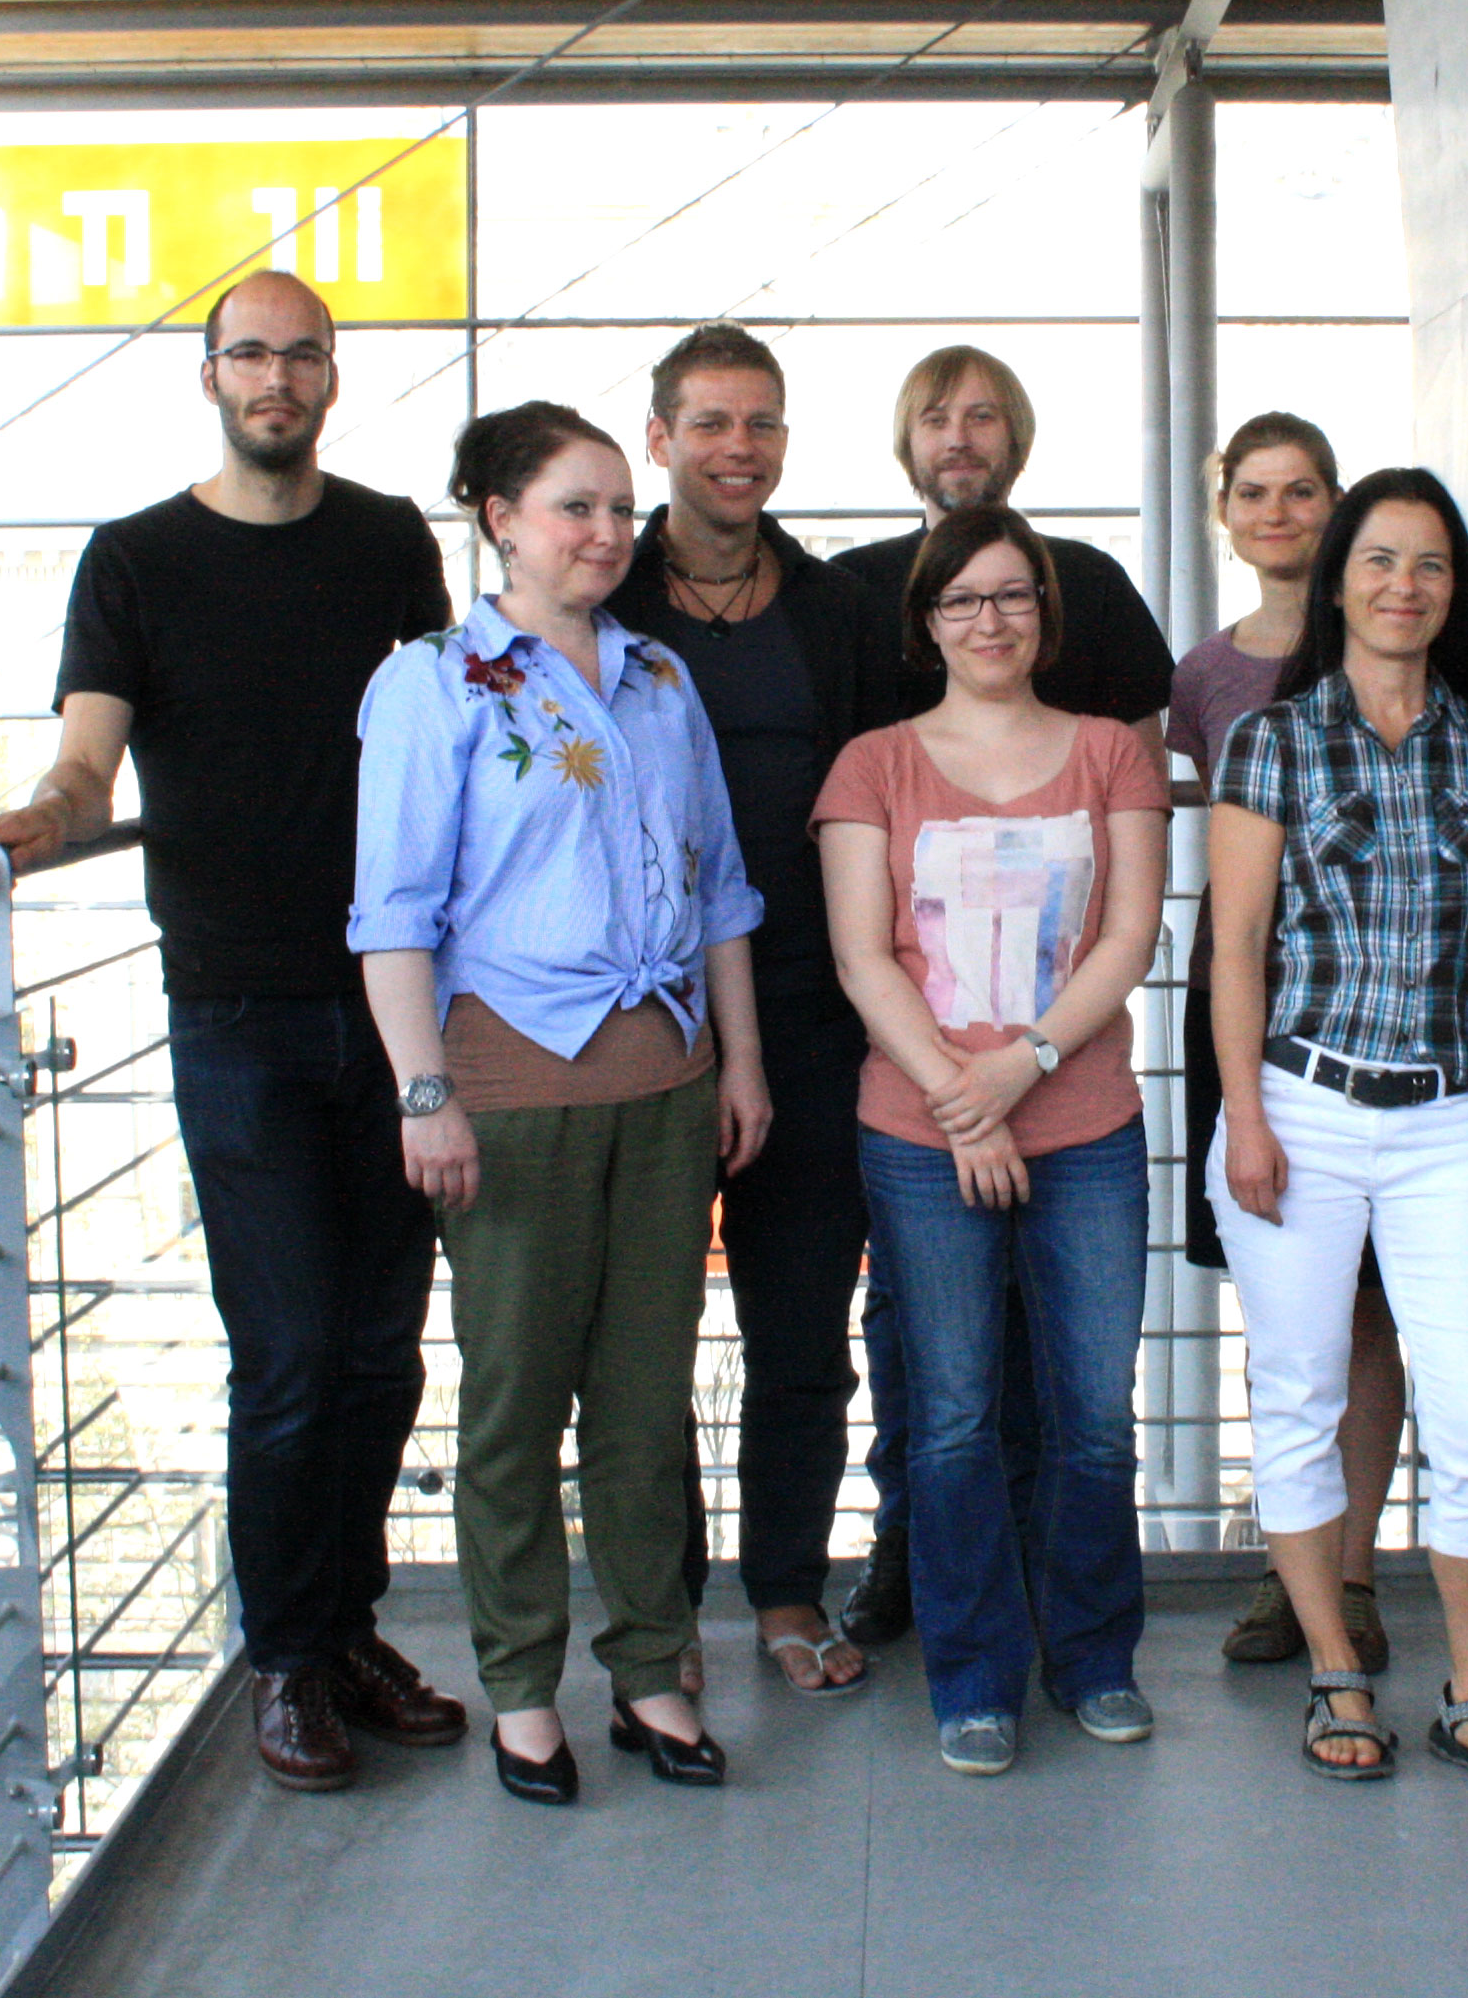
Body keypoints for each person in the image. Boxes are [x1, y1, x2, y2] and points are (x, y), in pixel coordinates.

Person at [0, 271, 466, 1793]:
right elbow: (86, 758)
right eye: (248, 355)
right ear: (210, 380)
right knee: (295, 1352)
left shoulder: (389, 541)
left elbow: (448, 735)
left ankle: (348, 1629)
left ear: (330, 377)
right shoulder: (133, 558)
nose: (275, 377)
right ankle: (286, 1661)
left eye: (299, 355)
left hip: (395, 1000)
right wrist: (47, 821)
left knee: (383, 1351)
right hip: (238, 1009)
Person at [350, 401, 766, 1805]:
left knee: (646, 1404)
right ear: (498, 520)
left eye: (616, 509)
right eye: (571, 507)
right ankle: (520, 1683)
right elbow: (392, 912)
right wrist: (424, 1096)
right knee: (518, 1401)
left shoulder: (657, 678)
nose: (604, 533)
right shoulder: (437, 682)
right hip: (507, 1088)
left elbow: (718, 889)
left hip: (668, 1084)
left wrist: (743, 1061)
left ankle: (653, 1667)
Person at [1206, 467, 1468, 1806]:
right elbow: (1232, 942)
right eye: (1377, 560)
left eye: (1427, 564)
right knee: (1298, 1399)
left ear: (1451, 586)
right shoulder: (1272, 740)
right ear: (1338, 577)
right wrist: (1243, 1114)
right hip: (1297, 1110)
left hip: (1455, 1118)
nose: (1401, 586)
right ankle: (1332, 1670)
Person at [814, 503, 1170, 1776]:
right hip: (918, 1135)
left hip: (1083, 1125)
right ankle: (972, 1676)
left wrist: (1017, 1070)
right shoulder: (873, 764)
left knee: (1093, 1414)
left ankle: (1093, 1655)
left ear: (1045, 614)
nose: (990, 620)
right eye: (962, 600)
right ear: (927, 623)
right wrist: (962, 1102)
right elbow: (863, 954)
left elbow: (1129, 937)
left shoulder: (1109, 758)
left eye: (1013, 595)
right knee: (954, 1418)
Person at [601, 323, 904, 1697]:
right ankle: (659, 1620)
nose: (738, 449)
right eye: (710, 423)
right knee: (642, 1344)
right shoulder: (605, 607)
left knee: (798, 1333)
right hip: (642, 1020)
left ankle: (786, 1590)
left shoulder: (837, 614)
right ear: (657, 438)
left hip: (815, 1011)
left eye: (761, 424)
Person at [1167, 412, 1405, 1676]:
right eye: (1252, 493)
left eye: (1301, 491)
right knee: (1285, 1306)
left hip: (1379, 1014)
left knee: (1367, 1308)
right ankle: (1290, 1572)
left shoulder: (1392, 638)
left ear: (1336, 504)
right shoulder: (1204, 674)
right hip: (1245, 1007)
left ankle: (1355, 1574)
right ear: (1223, 512)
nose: (1276, 513)